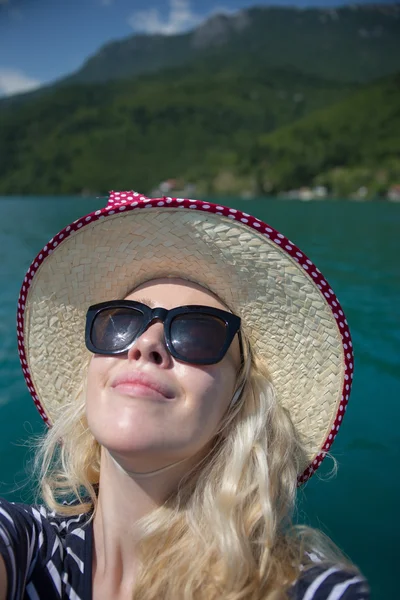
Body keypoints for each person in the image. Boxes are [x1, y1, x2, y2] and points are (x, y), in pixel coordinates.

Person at [0, 191, 368, 600]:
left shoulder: (291, 585)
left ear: (238, 399)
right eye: (120, 321)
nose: (144, 343)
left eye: (197, 332)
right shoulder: (23, 544)